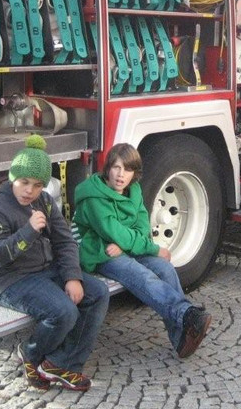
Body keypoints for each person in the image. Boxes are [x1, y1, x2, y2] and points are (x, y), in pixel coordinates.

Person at [0, 134, 110, 391]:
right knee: (63, 312)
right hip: (9, 279)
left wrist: (72, 276)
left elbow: (65, 241)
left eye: (38, 185)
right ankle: (30, 354)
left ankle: (61, 364)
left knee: (98, 293)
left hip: (44, 269)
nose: (30, 191)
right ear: (12, 177)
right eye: (24, 182)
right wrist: (28, 231)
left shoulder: (45, 202)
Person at [74, 143, 211, 358]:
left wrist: (124, 243)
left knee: (165, 269)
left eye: (127, 169)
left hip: (123, 247)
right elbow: (113, 232)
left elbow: (142, 226)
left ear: (134, 173)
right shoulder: (93, 197)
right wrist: (150, 248)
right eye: (116, 167)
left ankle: (181, 337)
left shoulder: (134, 190)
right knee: (142, 275)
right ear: (108, 168)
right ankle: (186, 314)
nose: (121, 175)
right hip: (102, 251)